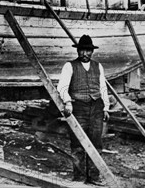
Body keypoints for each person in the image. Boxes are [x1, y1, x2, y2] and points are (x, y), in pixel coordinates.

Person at [57, 34, 110, 186]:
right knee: (78, 144)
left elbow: (103, 88)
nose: (85, 54)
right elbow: (62, 87)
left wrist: (106, 107)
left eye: (88, 51)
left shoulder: (98, 66)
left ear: (92, 52)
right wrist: (67, 102)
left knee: (96, 143)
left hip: (96, 108)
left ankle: (94, 177)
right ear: (78, 51)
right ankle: (79, 178)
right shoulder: (69, 66)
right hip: (78, 108)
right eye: (82, 51)